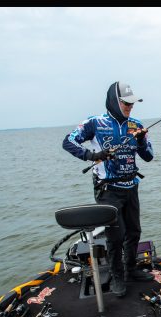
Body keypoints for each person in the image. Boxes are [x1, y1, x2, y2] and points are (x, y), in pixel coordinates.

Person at [62, 81, 154, 298]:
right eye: (126, 103)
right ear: (114, 101)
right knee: (116, 235)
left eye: (132, 103)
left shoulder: (136, 125)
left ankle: (130, 269)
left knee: (134, 231)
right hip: (108, 189)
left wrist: (141, 141)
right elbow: (68, 142)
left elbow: (149, 156)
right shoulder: (95, 123)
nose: (130, 107)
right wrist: (92, 155)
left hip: (131, 186)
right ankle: (117, 275)